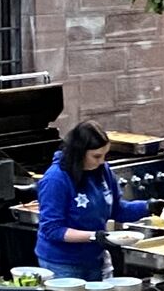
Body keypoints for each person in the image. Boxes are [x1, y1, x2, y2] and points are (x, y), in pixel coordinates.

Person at [35, 120, 149, 279]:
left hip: (95, 258)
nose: (102, 161)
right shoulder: (56, 179)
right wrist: (94, 236)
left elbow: (117, 209)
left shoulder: (102, 170)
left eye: (104, 155)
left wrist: (148, 207)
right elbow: (52, 229)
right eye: (96, 156)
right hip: (63, 262)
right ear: (79, 153)